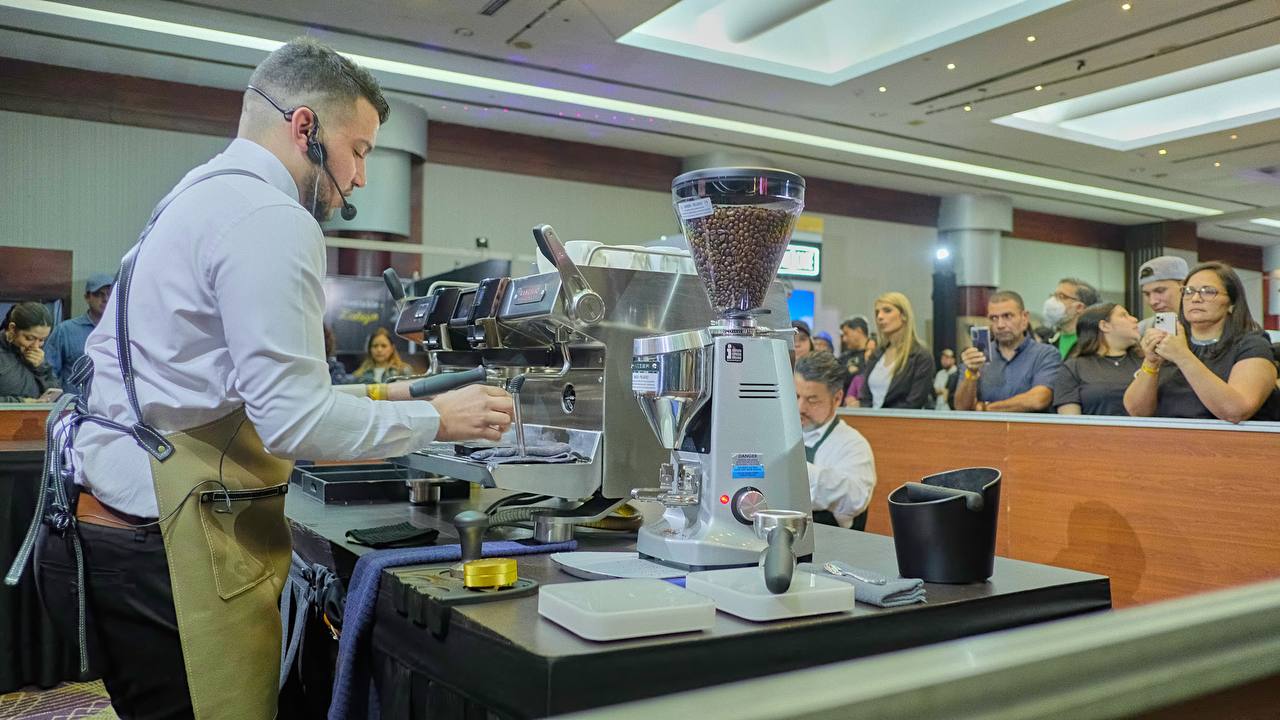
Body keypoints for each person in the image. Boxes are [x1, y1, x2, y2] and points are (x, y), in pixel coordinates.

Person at [32, 38, 513, 720]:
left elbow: (232, 386)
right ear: (305, 128)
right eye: (362, 150)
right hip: (162, 543)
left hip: (104, 532)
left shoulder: (198, 193)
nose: (364, 177)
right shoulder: (271, 217)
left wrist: (394, 393)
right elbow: (294, 422)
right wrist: (441, 420)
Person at [1124, 261, 1277, 423]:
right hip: (1168, 442)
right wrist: (1151, 362)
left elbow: (1235, 411)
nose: (1195, 298)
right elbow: (1137, 411)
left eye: (1208, 291)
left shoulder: (1251, 344)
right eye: (1188, 291)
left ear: (1231, 301)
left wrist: (1183, 356)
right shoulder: (1171, 341)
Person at [794, 351, 876, 530]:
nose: (800, 408)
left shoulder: (853, 445)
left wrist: (793, 471)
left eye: (812, 400)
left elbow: (854, 500)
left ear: (837, 398)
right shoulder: (779, 433)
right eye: (796, 396)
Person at [955, 290, 1063, 412]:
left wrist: (986, 408)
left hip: (1030, 430)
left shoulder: (1046, 355)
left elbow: (1038, 400)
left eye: (1007, 316)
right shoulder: (977, 358)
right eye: (994, 318)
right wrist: (972, 373)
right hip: (986, 431)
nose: (1000, 325)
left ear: (1024, 317)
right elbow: (961, 408)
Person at [1054, 303, 1142, 415]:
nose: (1134, 319)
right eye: (1123, 315)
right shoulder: (1073, 368)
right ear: (1104, 325)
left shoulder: (1147, 362)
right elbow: (1070, 423)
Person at [855, 292, 935, 409]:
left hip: (901, 424)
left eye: (887, 311)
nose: (879, 317)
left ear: (904, 315)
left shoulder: (921, 356)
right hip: (871, 423)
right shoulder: (876, 354)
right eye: (877, 312)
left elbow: (914, 402)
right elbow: (864, 396)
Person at [45, 272, 115, 395]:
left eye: (110, 294)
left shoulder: (123, 332)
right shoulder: (65, 330)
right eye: (99, 294)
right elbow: (49, 372)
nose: (105, 299)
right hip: (74, 408)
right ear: (87, 297)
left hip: (112, 408)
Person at [0, 302, 62, 403]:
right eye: (29, 338)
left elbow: (56, 395)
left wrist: (41, 368)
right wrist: (20, 402)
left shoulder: (38, 357)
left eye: (42, 340)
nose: (36, 346)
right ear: (12, 328)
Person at [1042, 277, 1099, 359]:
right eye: (1053, 295)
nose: (1053, 300)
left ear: (1079, 307)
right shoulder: (1048, 342)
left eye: (1061, 296)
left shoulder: (1093, 345)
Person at [1135, 255, 1189, 335]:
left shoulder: (1207, 328)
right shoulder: (1142, 330)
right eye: (1147, 294)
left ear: (1184, 287)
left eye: (1160, 291)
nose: (1152, 301)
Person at [837, 315, 870, 389]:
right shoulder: (844, 357)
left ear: (859, 331)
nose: (844, 339)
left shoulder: (875, 354)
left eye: (846, 333)